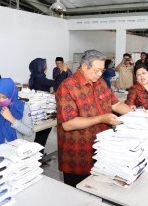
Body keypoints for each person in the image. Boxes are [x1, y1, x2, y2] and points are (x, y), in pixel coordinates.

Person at [56, 50, 132, 187]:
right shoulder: (67, 87)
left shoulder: (100, 82)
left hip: (102, 151)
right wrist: (102, 118)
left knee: (99, 191)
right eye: (96, 70)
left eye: (102, 70)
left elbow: (116, 104)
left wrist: (138, 114)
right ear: (85, 66)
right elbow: (68, 124)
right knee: (78, 193)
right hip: (78, 154)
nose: (100, 74)